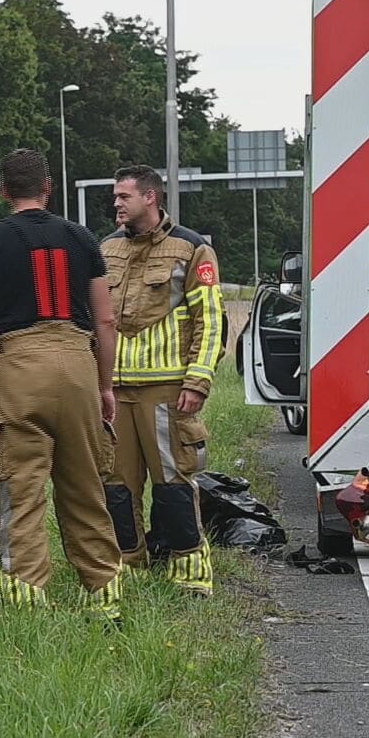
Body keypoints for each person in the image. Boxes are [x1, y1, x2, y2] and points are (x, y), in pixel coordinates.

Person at [0, 149, 124, 618]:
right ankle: (105, 597)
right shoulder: (83, 238)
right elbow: (106, 322)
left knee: (20, 491)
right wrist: (104, 387)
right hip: (78, 364)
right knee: (85, 488)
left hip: (20, 369)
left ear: (4, 191)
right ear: (49, 188)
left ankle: (27, 600)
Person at [101, 164, 227, 595]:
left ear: (150, 197)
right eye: (116, 196)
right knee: (116, 486)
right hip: (115, 394)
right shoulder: (106, 249)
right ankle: (127, 566)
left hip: (168, 389)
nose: (116, 204)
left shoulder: (191, 249)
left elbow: (211, 321)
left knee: (173, 484)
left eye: (124, 196)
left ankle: (189, 568)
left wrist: (197, 381)